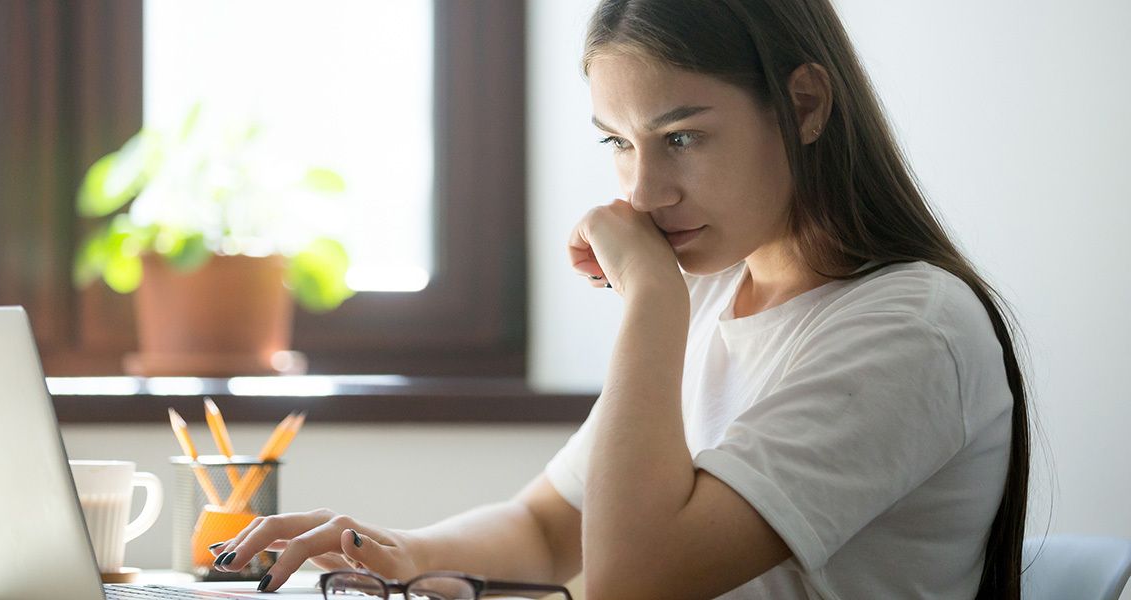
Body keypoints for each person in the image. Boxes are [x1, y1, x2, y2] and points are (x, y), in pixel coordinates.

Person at [211, 0, 1030, 597]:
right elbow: (544, 530)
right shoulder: (714, 294)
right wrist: (390, 553)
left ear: (805, 105)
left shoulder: (912, 329)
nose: (643, 191)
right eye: (618, 143)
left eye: (681, 138)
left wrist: (650, 298)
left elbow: (633, 583)